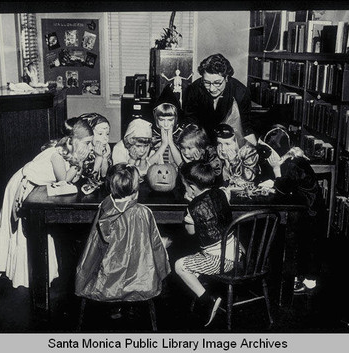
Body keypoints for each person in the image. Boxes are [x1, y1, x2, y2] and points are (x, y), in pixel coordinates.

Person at [0, 119, 94, 288]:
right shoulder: (56, 154)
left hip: (37, 187)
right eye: (87, 143)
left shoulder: (66, 152)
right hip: (22, 185)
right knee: (20, 230)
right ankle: (19, 273)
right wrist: (79, 162)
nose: (90, 146)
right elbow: (64, 181)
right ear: (74, 141)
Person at [75, 163, 171, 303]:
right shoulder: (144, 212)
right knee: (165, 242)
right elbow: (157, 249)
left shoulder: (104, 206)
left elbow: (93, 245)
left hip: (105, 283)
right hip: (141, 282)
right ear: (136, 188)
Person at [174, 160, 242, 327]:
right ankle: (203, 290)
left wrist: (190, 204)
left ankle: (208, 300)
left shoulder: (192, 207)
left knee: (179, 266)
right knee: (195, 265)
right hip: (237, 251)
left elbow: (191, 233)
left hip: (221, 261)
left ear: (191, 187)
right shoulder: (222, 193)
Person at [261, 125, 328, 292]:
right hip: (307, 206)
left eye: (269, 152)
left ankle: (306, 280)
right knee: (305, 245)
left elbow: (283, 189)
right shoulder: (292, 160)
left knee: (306, 245)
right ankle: (303, 277)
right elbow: (288, 184)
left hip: (310, 211)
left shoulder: (292, 165)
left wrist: (276, 170)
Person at [183, 53, 256, 144]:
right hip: (202, 140)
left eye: (217, 83)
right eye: (207, 82)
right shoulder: (194, 90)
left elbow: (246, 127)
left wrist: (254, 151)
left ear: (227, 78)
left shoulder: (241, 92)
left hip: (229, 142)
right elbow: (190, 124)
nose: (212, 89)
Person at [65, 113, 112, 191]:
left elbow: (104, 176)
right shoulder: (82, 150)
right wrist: (99, 158)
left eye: (107, 134)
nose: (106, 139)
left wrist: (104, 158)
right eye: (100, 134)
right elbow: (88, 180)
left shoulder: (104, 149)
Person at [150, 85, 184, 167]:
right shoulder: (151, 134)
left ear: (176, 119)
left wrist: (171, 143)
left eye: (170, 120)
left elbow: (182, 165)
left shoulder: (181, 134)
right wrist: (164, 144)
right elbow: (147, 165)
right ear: (156, 119)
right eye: (161, 120)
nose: (166, 125)